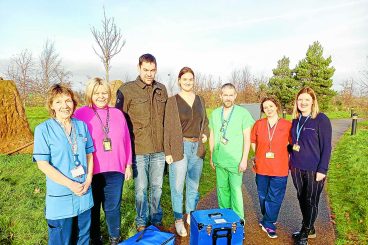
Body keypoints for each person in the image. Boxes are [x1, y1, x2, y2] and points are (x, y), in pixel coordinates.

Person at [33, 84, 94, 245]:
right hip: (61, 196)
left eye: (68, 101)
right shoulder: (43, 130)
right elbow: (43, 164)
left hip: (84, 192)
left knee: (83, 238)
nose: (64, 106)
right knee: (61, 240)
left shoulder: (81, 126)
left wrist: (88, 180)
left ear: (73, 103)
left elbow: (89, 154)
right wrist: (70, 184)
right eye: (58, 102)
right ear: (51, 105)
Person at [74, 78, 132, 245]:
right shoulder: (81, 113)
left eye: (104, 93)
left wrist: (128, 164)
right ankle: (95, 238)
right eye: (97, 93)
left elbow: (127, 139)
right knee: (93, 208)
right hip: (91, 170)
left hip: (116, 169)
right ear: (90, 94)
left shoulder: (117, 113)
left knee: (113, 207)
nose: (101, 96)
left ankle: (115, 238)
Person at [115, 54, 168, 231]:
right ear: (139, 68)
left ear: (156, 70)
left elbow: (166, 120)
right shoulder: (127, 90)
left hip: (159, 150)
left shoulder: (162, 89)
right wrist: (123, 154)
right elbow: (118, 122)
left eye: (152, 70)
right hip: (138, 149)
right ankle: (141, 221)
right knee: (141, 189)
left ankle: (156, 218)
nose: (149, 74)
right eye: (145, 70)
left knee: (157, 187)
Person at [164, 67, 209, 237]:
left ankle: (191, 214)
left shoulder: (200, 100)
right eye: (185, 79)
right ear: (179, 81)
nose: (188, 82)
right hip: (179, 148)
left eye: (191, 79)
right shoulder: (172, 101)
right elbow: (167, 127)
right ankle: (178, 220)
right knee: (177, 186)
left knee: (193, 186)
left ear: (194, 80)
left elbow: (205, 122)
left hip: (197, 148)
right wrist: (168, 151)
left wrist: (205, 134)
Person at [290, 87, 332, 245]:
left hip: (314, 169)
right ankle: (310, 228)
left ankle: (304, 233)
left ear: (313, 101)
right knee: (301, 198)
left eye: (307, 99)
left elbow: (326, 147)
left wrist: (323, 169)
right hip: (296, 168)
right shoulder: (296, 120)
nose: (303, 102)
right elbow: (294, 142)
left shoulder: (321, 119)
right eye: (300, 99)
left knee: (311, 200)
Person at [209, 83, 254, 220]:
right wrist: (212, 156)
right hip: (219, 159)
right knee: (222, 191)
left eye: (231, 95)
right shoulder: (215, 113)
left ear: (235, 96)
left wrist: (244, 159)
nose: (228, 98)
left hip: (235, 161)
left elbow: (247, 138)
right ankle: (225, 219)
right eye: (225, 95)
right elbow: (212, 136)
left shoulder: (243, 113)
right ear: (221, 96)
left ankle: (239, 222)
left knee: (235, 191)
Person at [250, 97, 291, 239]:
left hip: (280, 168)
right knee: (262, 195)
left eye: (271, 106)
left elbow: (292, 145)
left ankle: (269, 223)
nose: (268, 109)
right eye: (265, 107)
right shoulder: (259, 124)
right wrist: (257, 155)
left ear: (277, 107)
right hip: (261, 166)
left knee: (275, 196)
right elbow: (253, 141)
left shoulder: (287, 125)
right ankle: (268, 216)